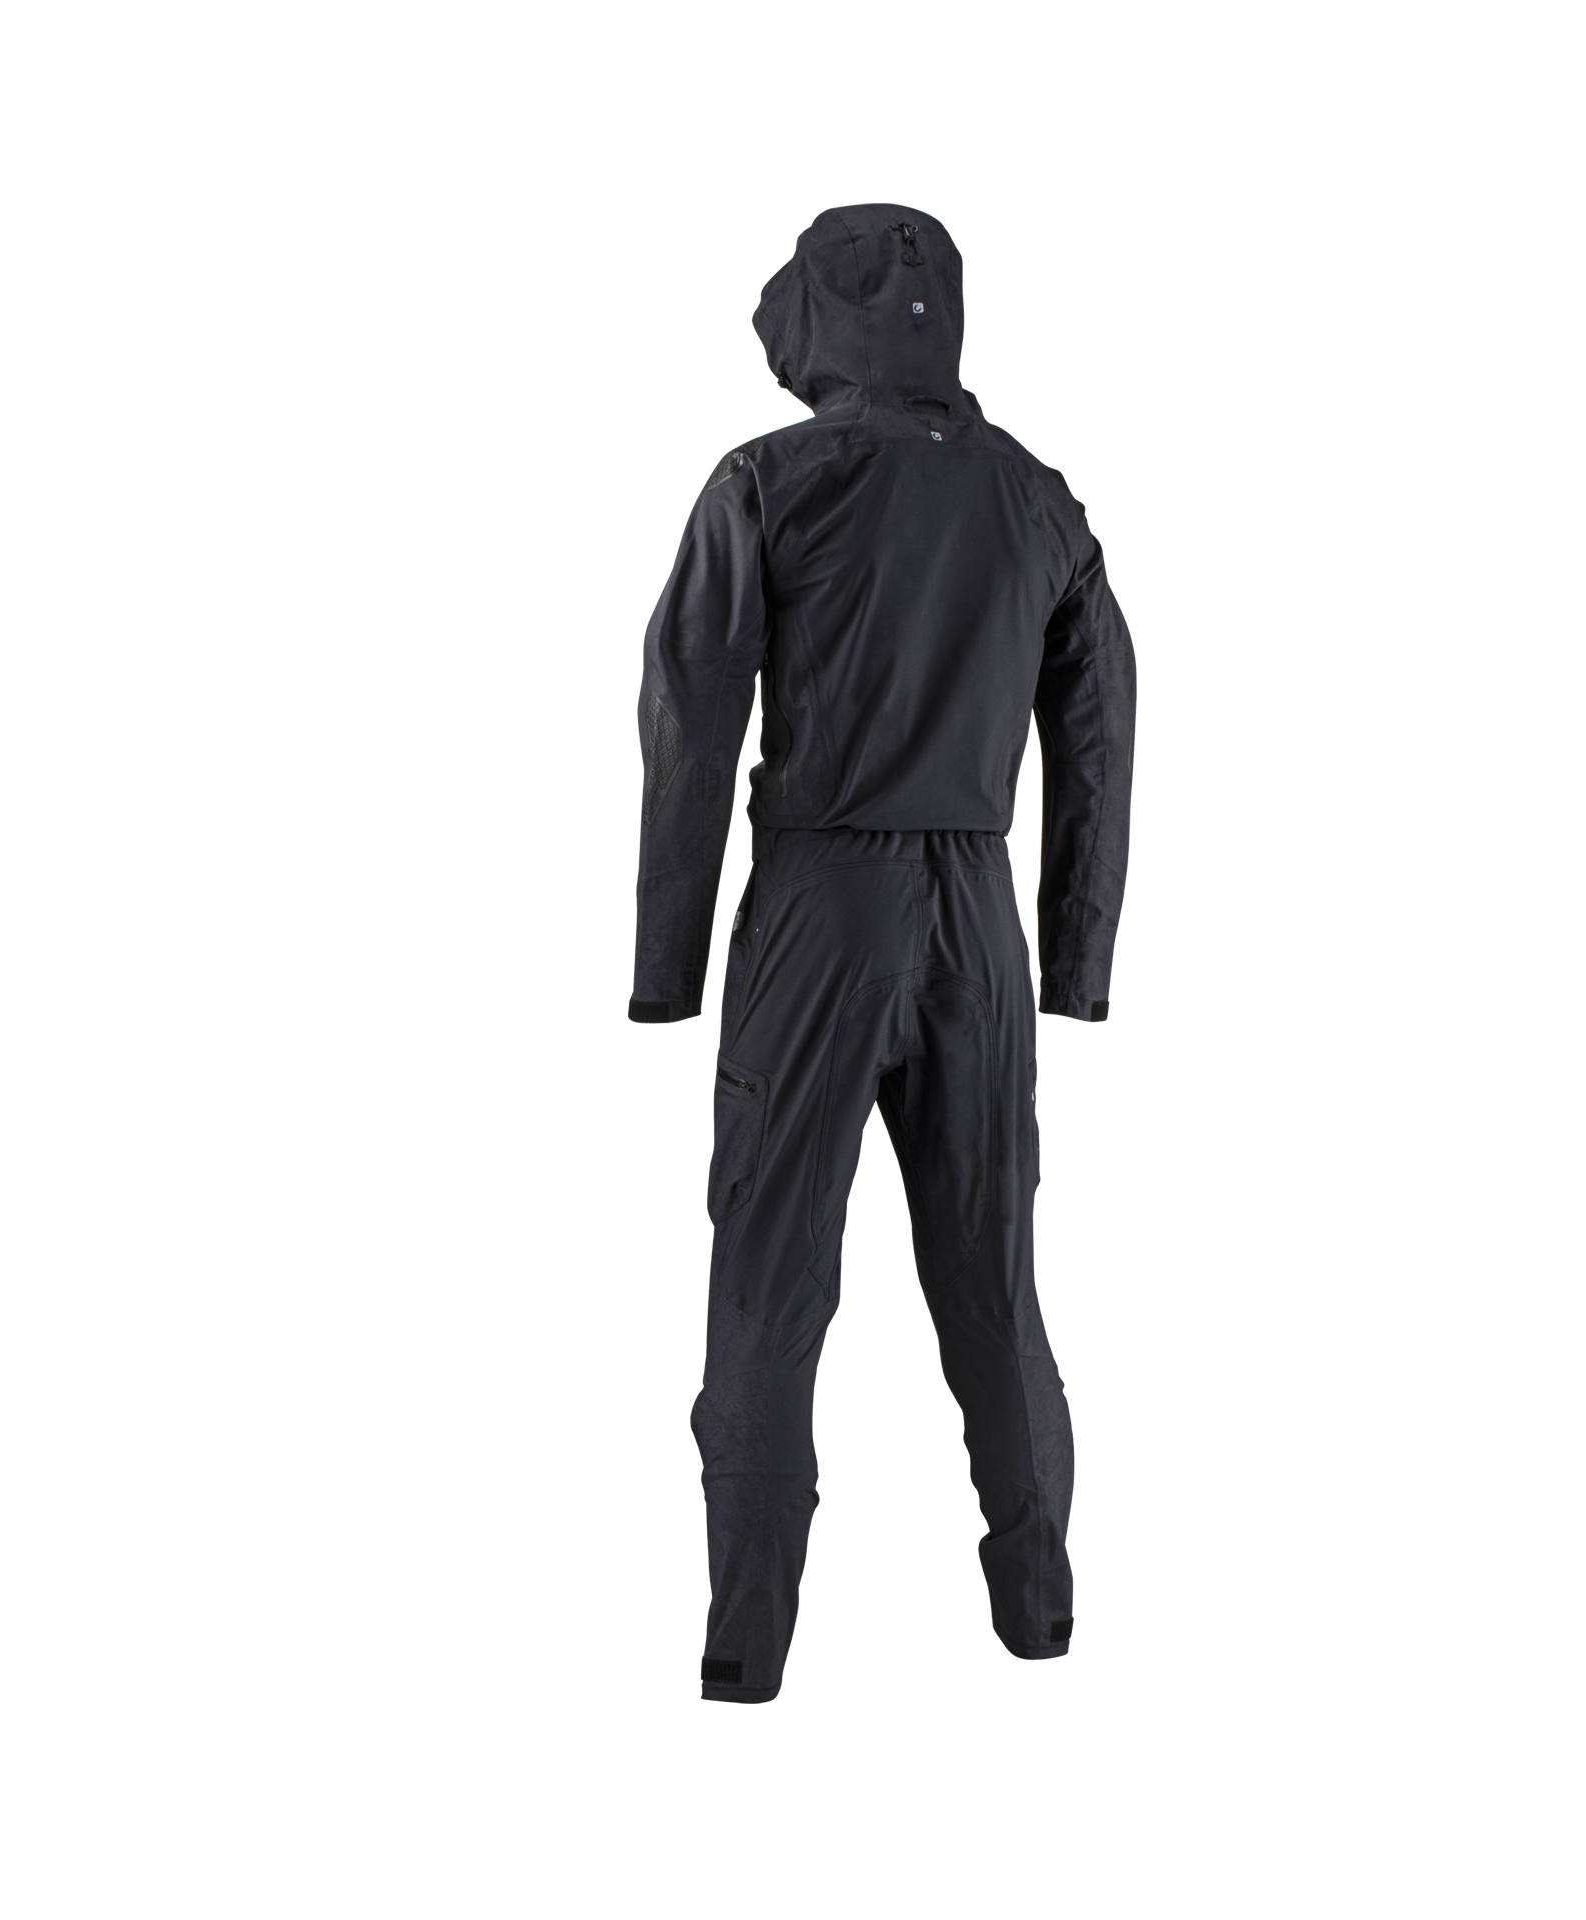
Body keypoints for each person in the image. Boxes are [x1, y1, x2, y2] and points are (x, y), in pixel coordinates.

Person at [630, 204, 1135, 1703]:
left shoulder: (767, 485)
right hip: (978, 912)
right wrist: (1072, 966)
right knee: (993, 1281)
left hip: (820, 901)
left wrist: (665, 970)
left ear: (813, 319)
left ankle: (746, 1648)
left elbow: (694, 729)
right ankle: (1039, 1616)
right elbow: (1100, 744)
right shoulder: (1042, 502)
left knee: (769, 1281)